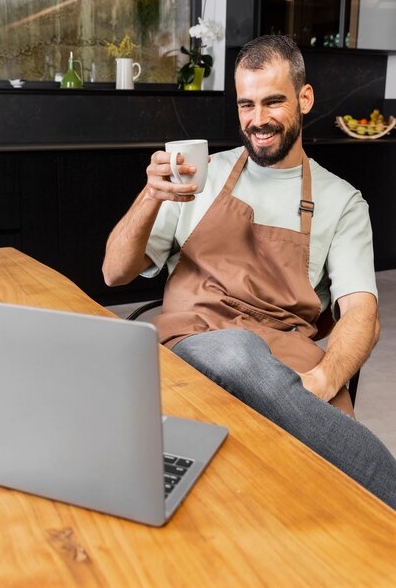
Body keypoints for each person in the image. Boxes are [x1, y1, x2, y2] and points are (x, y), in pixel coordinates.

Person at [102, 35, 396, 510]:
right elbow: (114, 274)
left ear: (305, 98)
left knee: (308, 504)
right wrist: (150, 196)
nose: (257, 120)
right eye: (246, 104)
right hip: (188, 346)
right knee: (238, 350)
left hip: (285, 365)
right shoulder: (196, 176)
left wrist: (319, 385)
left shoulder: (341, 201)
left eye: (273, 101)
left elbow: (362, 315)